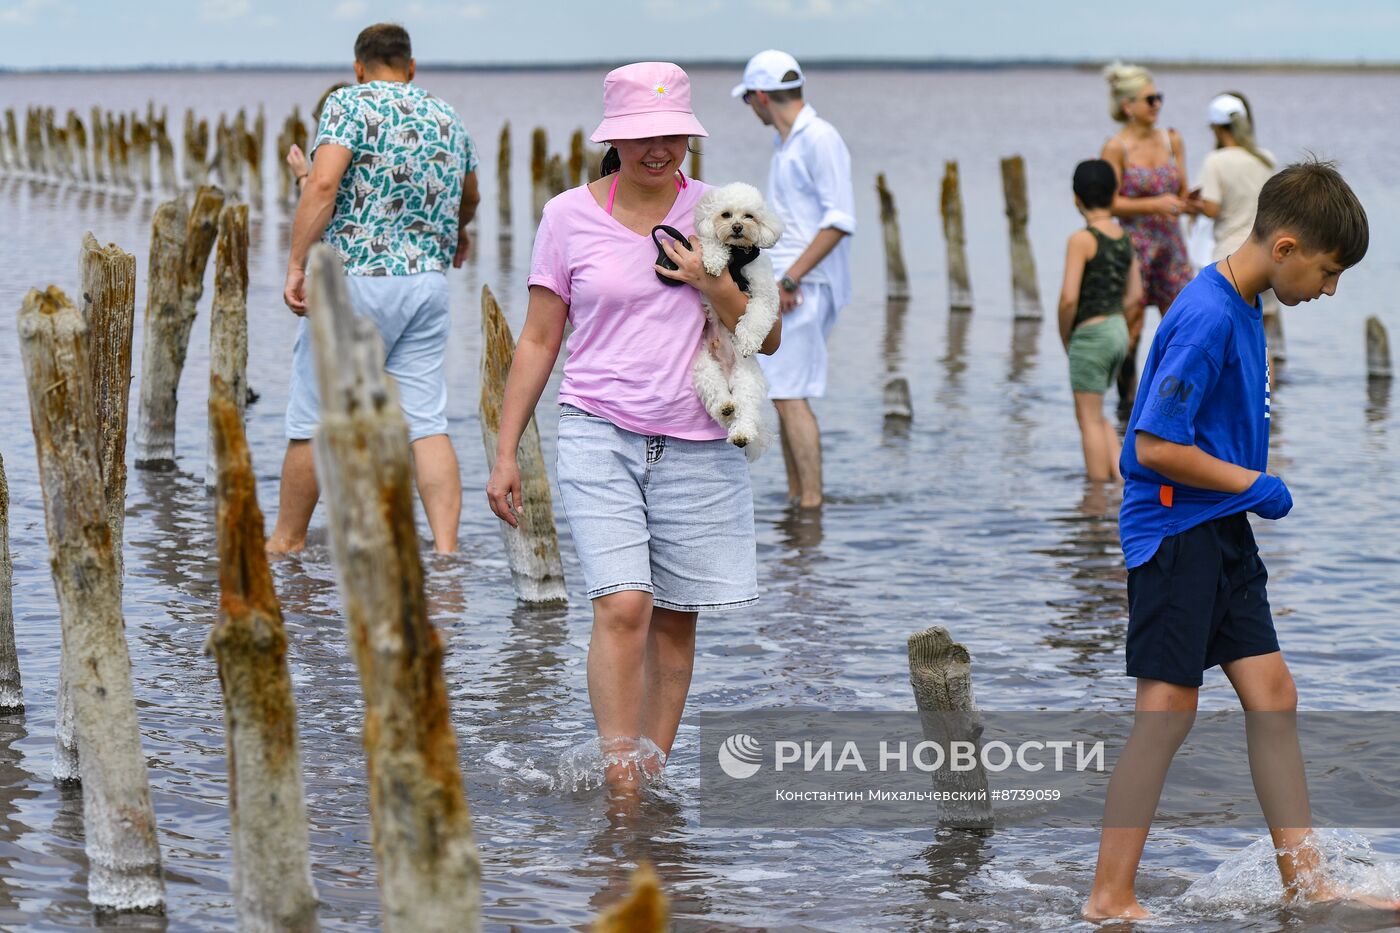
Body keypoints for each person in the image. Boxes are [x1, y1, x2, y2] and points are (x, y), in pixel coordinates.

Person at [1084, 160, 1370, 920]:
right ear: (1285, 247)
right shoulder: (1210, 313)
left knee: (1274, 692)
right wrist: (1254, 483)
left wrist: (1241, 492)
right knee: (1169, 709)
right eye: (1329, 270)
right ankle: (1109, 895)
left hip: (1218, 526)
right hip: (1176, 528)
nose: (1329, 288)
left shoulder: (1244, 303)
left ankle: (1306, 880)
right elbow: (1149, 446)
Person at [485, 62, 780, 794]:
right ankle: (622, 785)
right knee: (623, 604)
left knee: (676, 623)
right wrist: (505, 449)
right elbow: (538, 340)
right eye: (642, 136)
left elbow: (767, 339)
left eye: (673, 134)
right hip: (598, 431)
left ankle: (649, 779)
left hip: (699, 442)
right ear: (613, 140)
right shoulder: (565, 216)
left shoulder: (721, 212)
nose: (659, 149)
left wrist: (712, 283)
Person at [269, 22, 481, 554]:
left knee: (316, 416)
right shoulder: (446, 114)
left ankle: (286, 545)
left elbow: (323, 183)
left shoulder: (350, 103)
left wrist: (296, 264)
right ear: (411, 68)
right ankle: (447, 553)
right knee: (425, 421)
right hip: (426, 285)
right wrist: (457, 233)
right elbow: (470, 193)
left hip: (356, 281)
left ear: (358, 67)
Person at [733, 49, 854, 509]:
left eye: (748, 101)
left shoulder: (818, 138)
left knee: (790, 395)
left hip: (804, 288)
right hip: (789, 284)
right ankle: (797, 500)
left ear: (761, 96)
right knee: (784, 394)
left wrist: (789, 281)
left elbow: (840, 220)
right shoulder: (788, 142)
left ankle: (811, 505)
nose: (750, 109)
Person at [1100, 62, 1196, 410]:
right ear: (1128, 106)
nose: (1157, 105)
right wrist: (1154, 204)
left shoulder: (1172, 139)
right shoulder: (1116, 147)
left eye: (1159, 98)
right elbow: (1107, 202)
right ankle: (1126, 402)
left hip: (1171, 246)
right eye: (1149, 99)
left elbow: (1182, 191)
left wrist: (1193, 204)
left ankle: (1173, 398)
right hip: (1134, 246)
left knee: (1181, 323)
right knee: (1133, 327)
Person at [1057, 160, 1142, 482]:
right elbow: (1135, 296)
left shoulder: (1081, 240)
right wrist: (1121, 326)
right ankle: (1121, 484)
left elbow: (1068, 298)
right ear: (1115, 194)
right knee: (1099, 415)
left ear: (1076, 198)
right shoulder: (1124, 238)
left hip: (1091, 334)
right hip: (1118, 330)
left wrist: (1067, 335)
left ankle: (1095, 500)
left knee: (1087, 419)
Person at [1195, 92, 1284, 366]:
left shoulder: (1216, 161)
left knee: (1228, 340)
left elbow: (1211, 208)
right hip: (1269, 254)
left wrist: (1191, 205)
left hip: (1233, 259)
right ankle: (1267, 404)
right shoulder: (1265, 158)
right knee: (1261, 342)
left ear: (1217, 128)